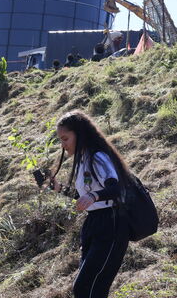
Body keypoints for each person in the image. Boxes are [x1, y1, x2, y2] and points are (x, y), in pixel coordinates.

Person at [53, 110, 135, 298]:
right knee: (89, 289)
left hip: (111, 224)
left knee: (86, 288)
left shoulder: (97, 157)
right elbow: (85, 196)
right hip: (94, 224)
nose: (63, 145)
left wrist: (94, 197)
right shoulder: (83, 159)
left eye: (65, 138)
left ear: (79, 134)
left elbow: (116, 189)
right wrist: (59, 189)